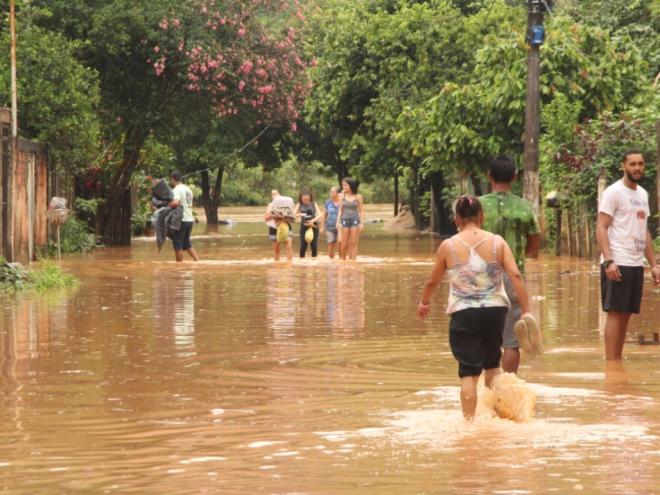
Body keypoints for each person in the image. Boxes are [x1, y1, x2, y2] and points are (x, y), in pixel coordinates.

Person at [417, 196, 534, 420]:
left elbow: (432, 281)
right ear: (481, 216)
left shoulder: (448, 246)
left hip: (464, 312)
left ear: (456, 219)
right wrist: (526, 309)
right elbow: (516, 274)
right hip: (495, 311)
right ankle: (492, 415)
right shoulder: (497, 242)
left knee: (469, 372)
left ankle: (470, 424)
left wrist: (424, 302)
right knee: (492, 364)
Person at [596, 150, 660, 361]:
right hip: (618, 260)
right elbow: (601, 227)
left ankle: (617, 362)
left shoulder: (642, 193)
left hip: (635, 262)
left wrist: (654, 264)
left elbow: (645, 230)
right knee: (615, 313)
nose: (637, 168)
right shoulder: (613, 192)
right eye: (632, 164)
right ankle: (611, 365)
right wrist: (609, 260)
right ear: (623, 166)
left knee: (626, 314)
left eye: (641, 164)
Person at [479, 155, 540, 373]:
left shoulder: (478, 207)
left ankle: (488, 388)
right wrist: (516, 257)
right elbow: (534, 244)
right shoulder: (525, 208)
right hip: (514, 278)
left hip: (482, 278)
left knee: (486, 338)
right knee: (512, 342)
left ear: (489, 176)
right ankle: (507, 386)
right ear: (514, 177)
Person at [169, 171, 199, 262]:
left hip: (180, 221)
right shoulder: (188, 190)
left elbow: (176, 202)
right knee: (186, 243)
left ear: (173, 179)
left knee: (178, 245)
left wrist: (165, 205)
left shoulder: (176, 189)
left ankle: (179, 268)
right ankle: (197, 261)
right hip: (189, 220)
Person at [336, 177, 365, 260]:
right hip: (344, 220)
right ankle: (343, 261)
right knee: (344, 244)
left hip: (355, 221)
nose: (344, 187)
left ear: (351, 185)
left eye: (345, 185)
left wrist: (362, 223)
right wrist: (337, 222)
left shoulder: (358, 197)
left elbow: (361, 211)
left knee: (353, 243)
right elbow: (340, 210)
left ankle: (353, 262)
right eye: (343, 185)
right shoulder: (342, 196)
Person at [294, 187, 323, 258]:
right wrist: (300, 214)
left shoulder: (314, 204)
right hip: (304, 226)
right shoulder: (299, 204)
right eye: (304, 199)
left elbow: (320, 214)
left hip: (313, 225)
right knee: (303, 246)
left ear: (310, 198)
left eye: (307, 199)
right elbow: (293, 215)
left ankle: (314, 263)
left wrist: (313, 221)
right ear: (301, 198)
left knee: (314, 246)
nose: (305, 201)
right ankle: (302, 262)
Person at [265, 189, 293, 261]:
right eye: (273, 194)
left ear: (280, 194)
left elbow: (292, 218)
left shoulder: (287, 204)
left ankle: (290, 265)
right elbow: (266, 218)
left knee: (289, 247)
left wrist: (284, 216)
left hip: (286, 226)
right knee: (276, 250)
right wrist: (273, 214)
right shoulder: (270, 205)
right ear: (271, 196)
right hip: (274, 228)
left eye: (276, 193)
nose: (275, 195)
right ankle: (276, 266)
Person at [323, 186, 341, 258]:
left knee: (341, 244)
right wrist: (322, 226)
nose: (330, 193)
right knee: (331, 244)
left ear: (337, 193)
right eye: (330, 191)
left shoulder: (342, 202)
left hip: (340, 227)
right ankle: (331, 261)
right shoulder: (328, 202)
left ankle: (341, 260)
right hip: (329, 227)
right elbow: (324, 215)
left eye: (332, 192)